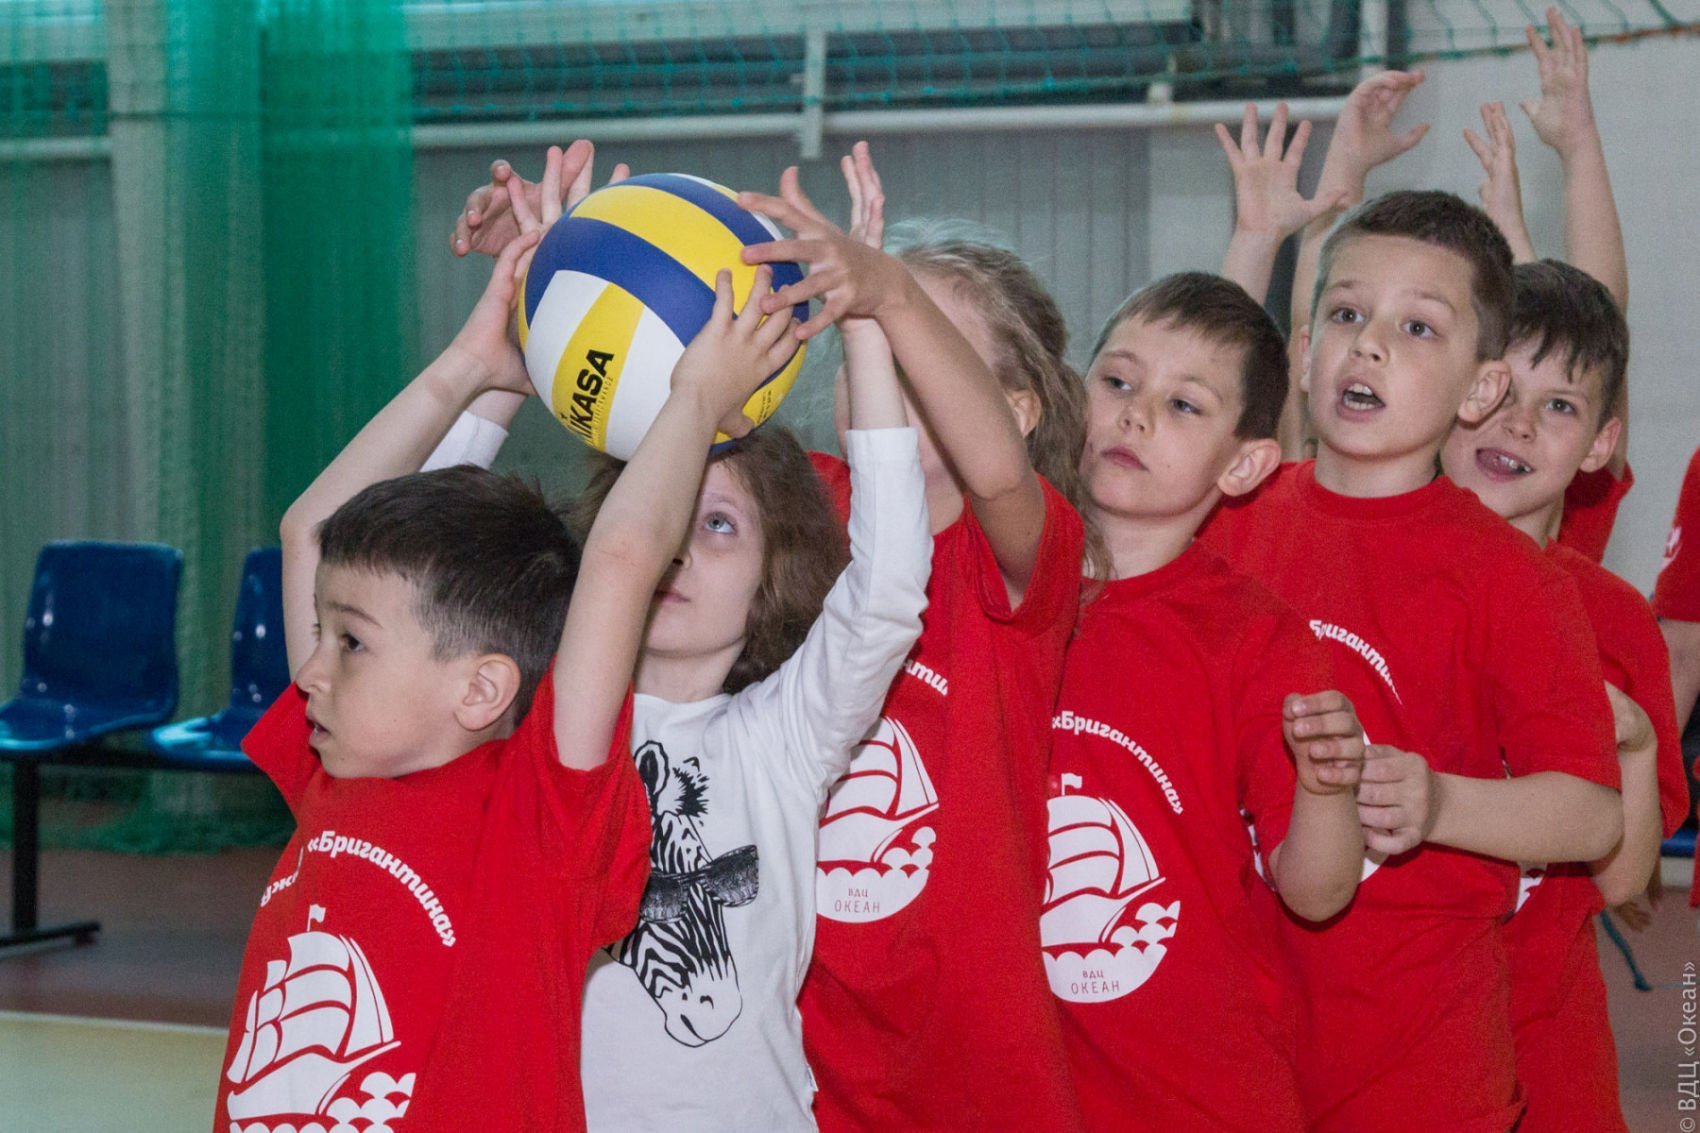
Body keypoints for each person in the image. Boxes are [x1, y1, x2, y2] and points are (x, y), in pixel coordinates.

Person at [222, 231, 798, 1131]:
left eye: (352, 642)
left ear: (482, 690)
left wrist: (696, 397)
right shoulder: (333, 773)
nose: (310, 671)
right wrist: (475, 367)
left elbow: (621, 559)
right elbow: (312, 529)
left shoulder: (535, 826)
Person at [418, 147, 938, 1130]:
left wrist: (867, 318)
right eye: (666, 517)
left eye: (722, 525)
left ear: (774, 573)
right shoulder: (532, 717)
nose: (678, 550)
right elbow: (418, 571)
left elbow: (887, 591)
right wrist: (537, 331)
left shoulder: (780, 735)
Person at [1197, 188, 1621, 1132]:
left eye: (1418, 326)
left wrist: (1439, 803)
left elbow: (1592, 813)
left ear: (1480, 390)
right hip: (1225, 1039)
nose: (1371, 345)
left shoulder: (1511, 579)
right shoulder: (1222, 523)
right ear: (1306, 349)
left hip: (1416, 1064)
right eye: (1347, 314)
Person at [738, 152, 1091, 1131]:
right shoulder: (801, 512)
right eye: (868, 345)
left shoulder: (1019, 553)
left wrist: (885, 292)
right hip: (804, 1042)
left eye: (918, 344)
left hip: (972, 1066)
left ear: (1015, 407)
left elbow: (1000, 474)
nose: (884, 368)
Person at [1051, 270, 1367, 1131]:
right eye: (1118, 381)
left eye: (1184, 405)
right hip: (1011, 1082)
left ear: (1244, 463)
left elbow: (1317, 890)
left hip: (1194, 1092)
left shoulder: (1257, 639)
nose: (1136, 415)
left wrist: (1328, 784)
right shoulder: (996, 583)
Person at [1440, 258, 1684, 1131]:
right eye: (1500, 388)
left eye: (1559, 407)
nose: (1517, 422)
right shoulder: (1370, 574)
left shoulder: (1613, 618)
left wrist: (1637, 747)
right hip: (1388, 1024)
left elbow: (1624, 881)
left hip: (1548, 1036)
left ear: (1600, 444)